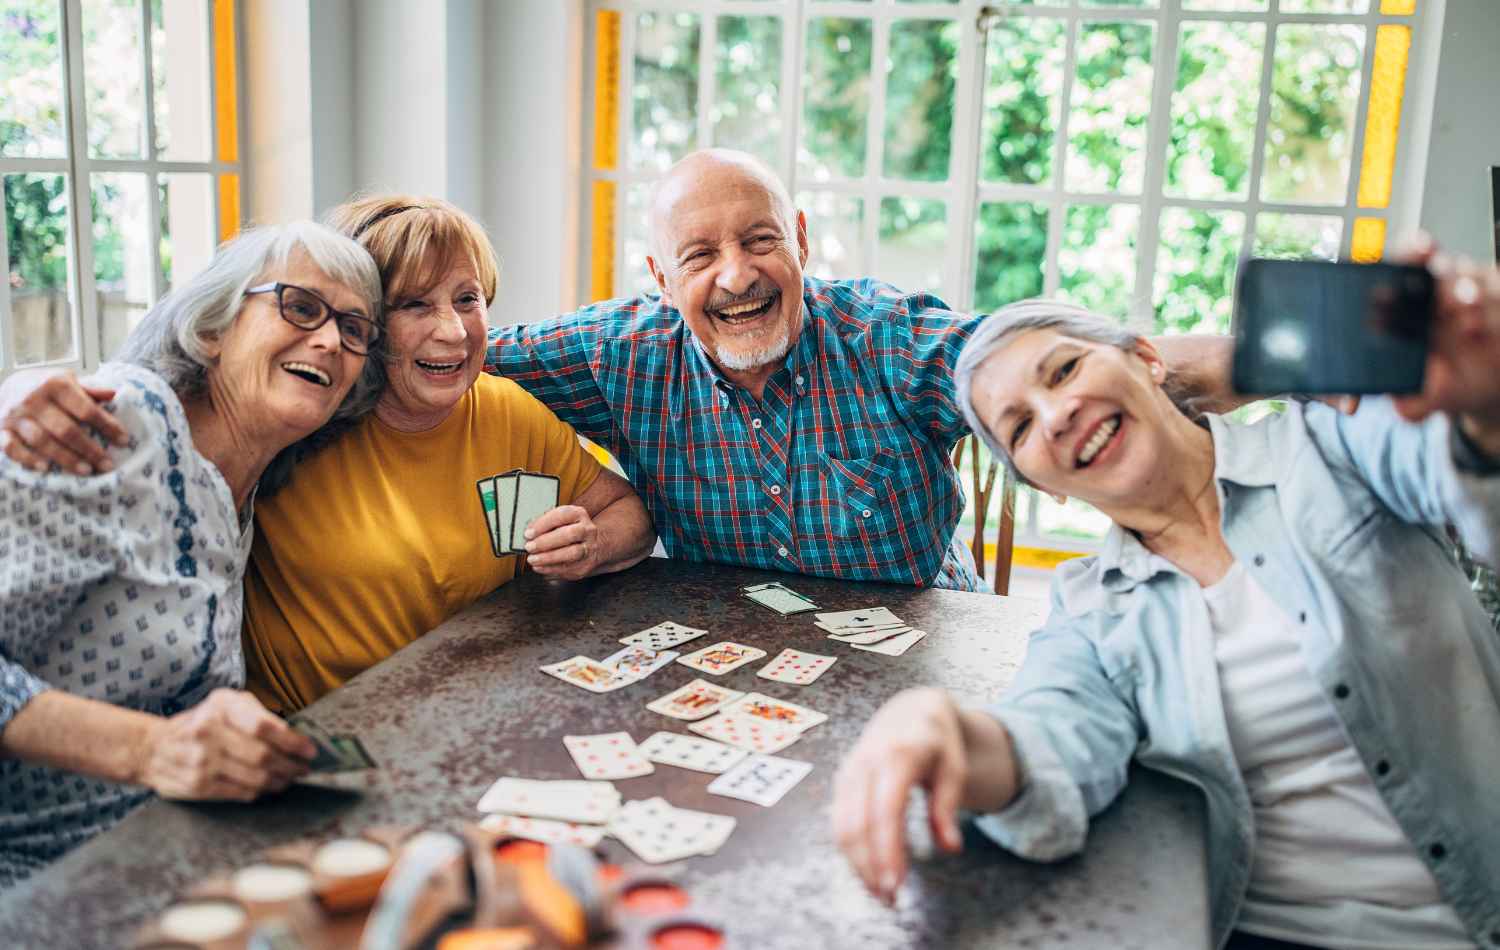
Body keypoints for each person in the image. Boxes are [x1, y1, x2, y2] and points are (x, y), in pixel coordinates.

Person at [831, 257, 1500, 948]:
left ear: (1148, 359)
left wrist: (1483, 409)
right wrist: (942, 729)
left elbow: (1469, 485)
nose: (1057, 416)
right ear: (1043, 485)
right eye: (1021, 429)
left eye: (1063, 371)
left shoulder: (1332, 443)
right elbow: (1050, 741)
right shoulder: (1090, 607)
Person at [0, 197, 657, 715]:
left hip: (472, 713)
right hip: (310, 743)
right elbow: (169, 385)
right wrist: (22, 390)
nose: (454, 330)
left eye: (468, 300)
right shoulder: (304, 426)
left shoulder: (503, 409)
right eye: (413, 305)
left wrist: (595, 540)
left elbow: (626, 510)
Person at [485, 148, 1234, 592]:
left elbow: (1067, 367)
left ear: (802, 242)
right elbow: (453, 357)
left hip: (928, 657)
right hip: (728, 668)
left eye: (759, 240)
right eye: (700, 255)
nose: (738, 275)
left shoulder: (886, 337)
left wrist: (1314, 362)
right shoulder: (619, 354)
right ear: (660, 277)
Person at [0, 222, 384, 886]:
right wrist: (155, 751)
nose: (329, 340)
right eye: (300, 306)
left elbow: (446, 366)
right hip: (35, 877)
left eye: (355, 329)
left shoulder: (260, 478)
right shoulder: (118, 428)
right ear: (211, 329)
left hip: (166, 853)